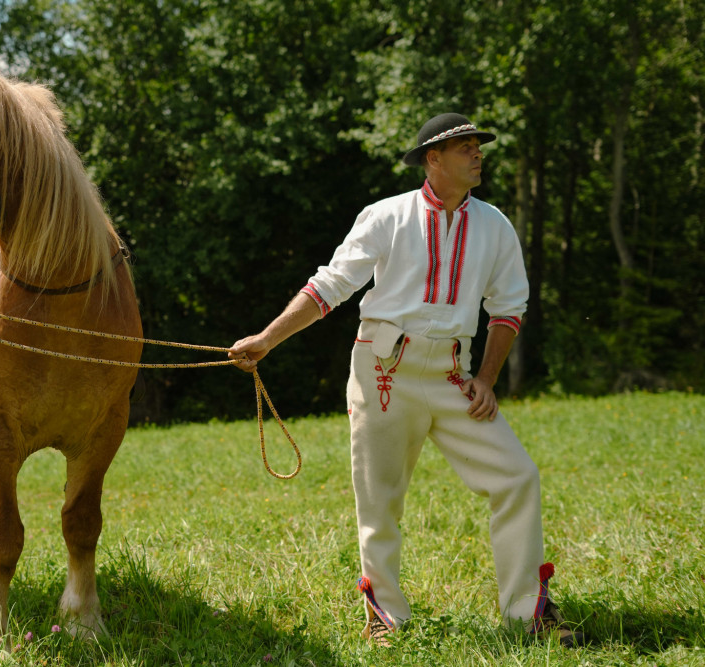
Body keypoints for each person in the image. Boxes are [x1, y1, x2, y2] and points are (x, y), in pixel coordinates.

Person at [229, 113, 581, 646]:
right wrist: (267, 339)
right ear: (432, 160)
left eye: (477, 146)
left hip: (454, 375)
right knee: (380, 498)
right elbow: (331, 285)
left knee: (517, 476)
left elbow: (508, 309)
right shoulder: (385, 216)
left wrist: (486, 378)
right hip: (383, 370)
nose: (476, 154)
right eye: (464, 147)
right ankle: (386, 616)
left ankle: (527, 612)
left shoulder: (496, 225)